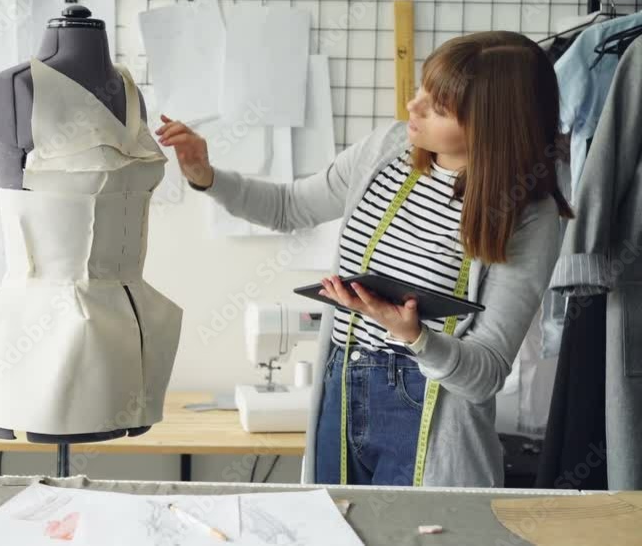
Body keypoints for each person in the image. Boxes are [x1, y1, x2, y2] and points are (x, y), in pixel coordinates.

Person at [156, 31, 574, 487]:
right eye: (421, 89)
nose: (413, 106)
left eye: (437, 107)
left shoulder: (527, 215)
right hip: (342, 384)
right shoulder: (387, 150)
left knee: (412, 527)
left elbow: (485, 373)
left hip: (429, 411)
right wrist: (206, 175)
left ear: (491, 124)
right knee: (334, 520)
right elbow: (288, 207)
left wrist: (415, 336)